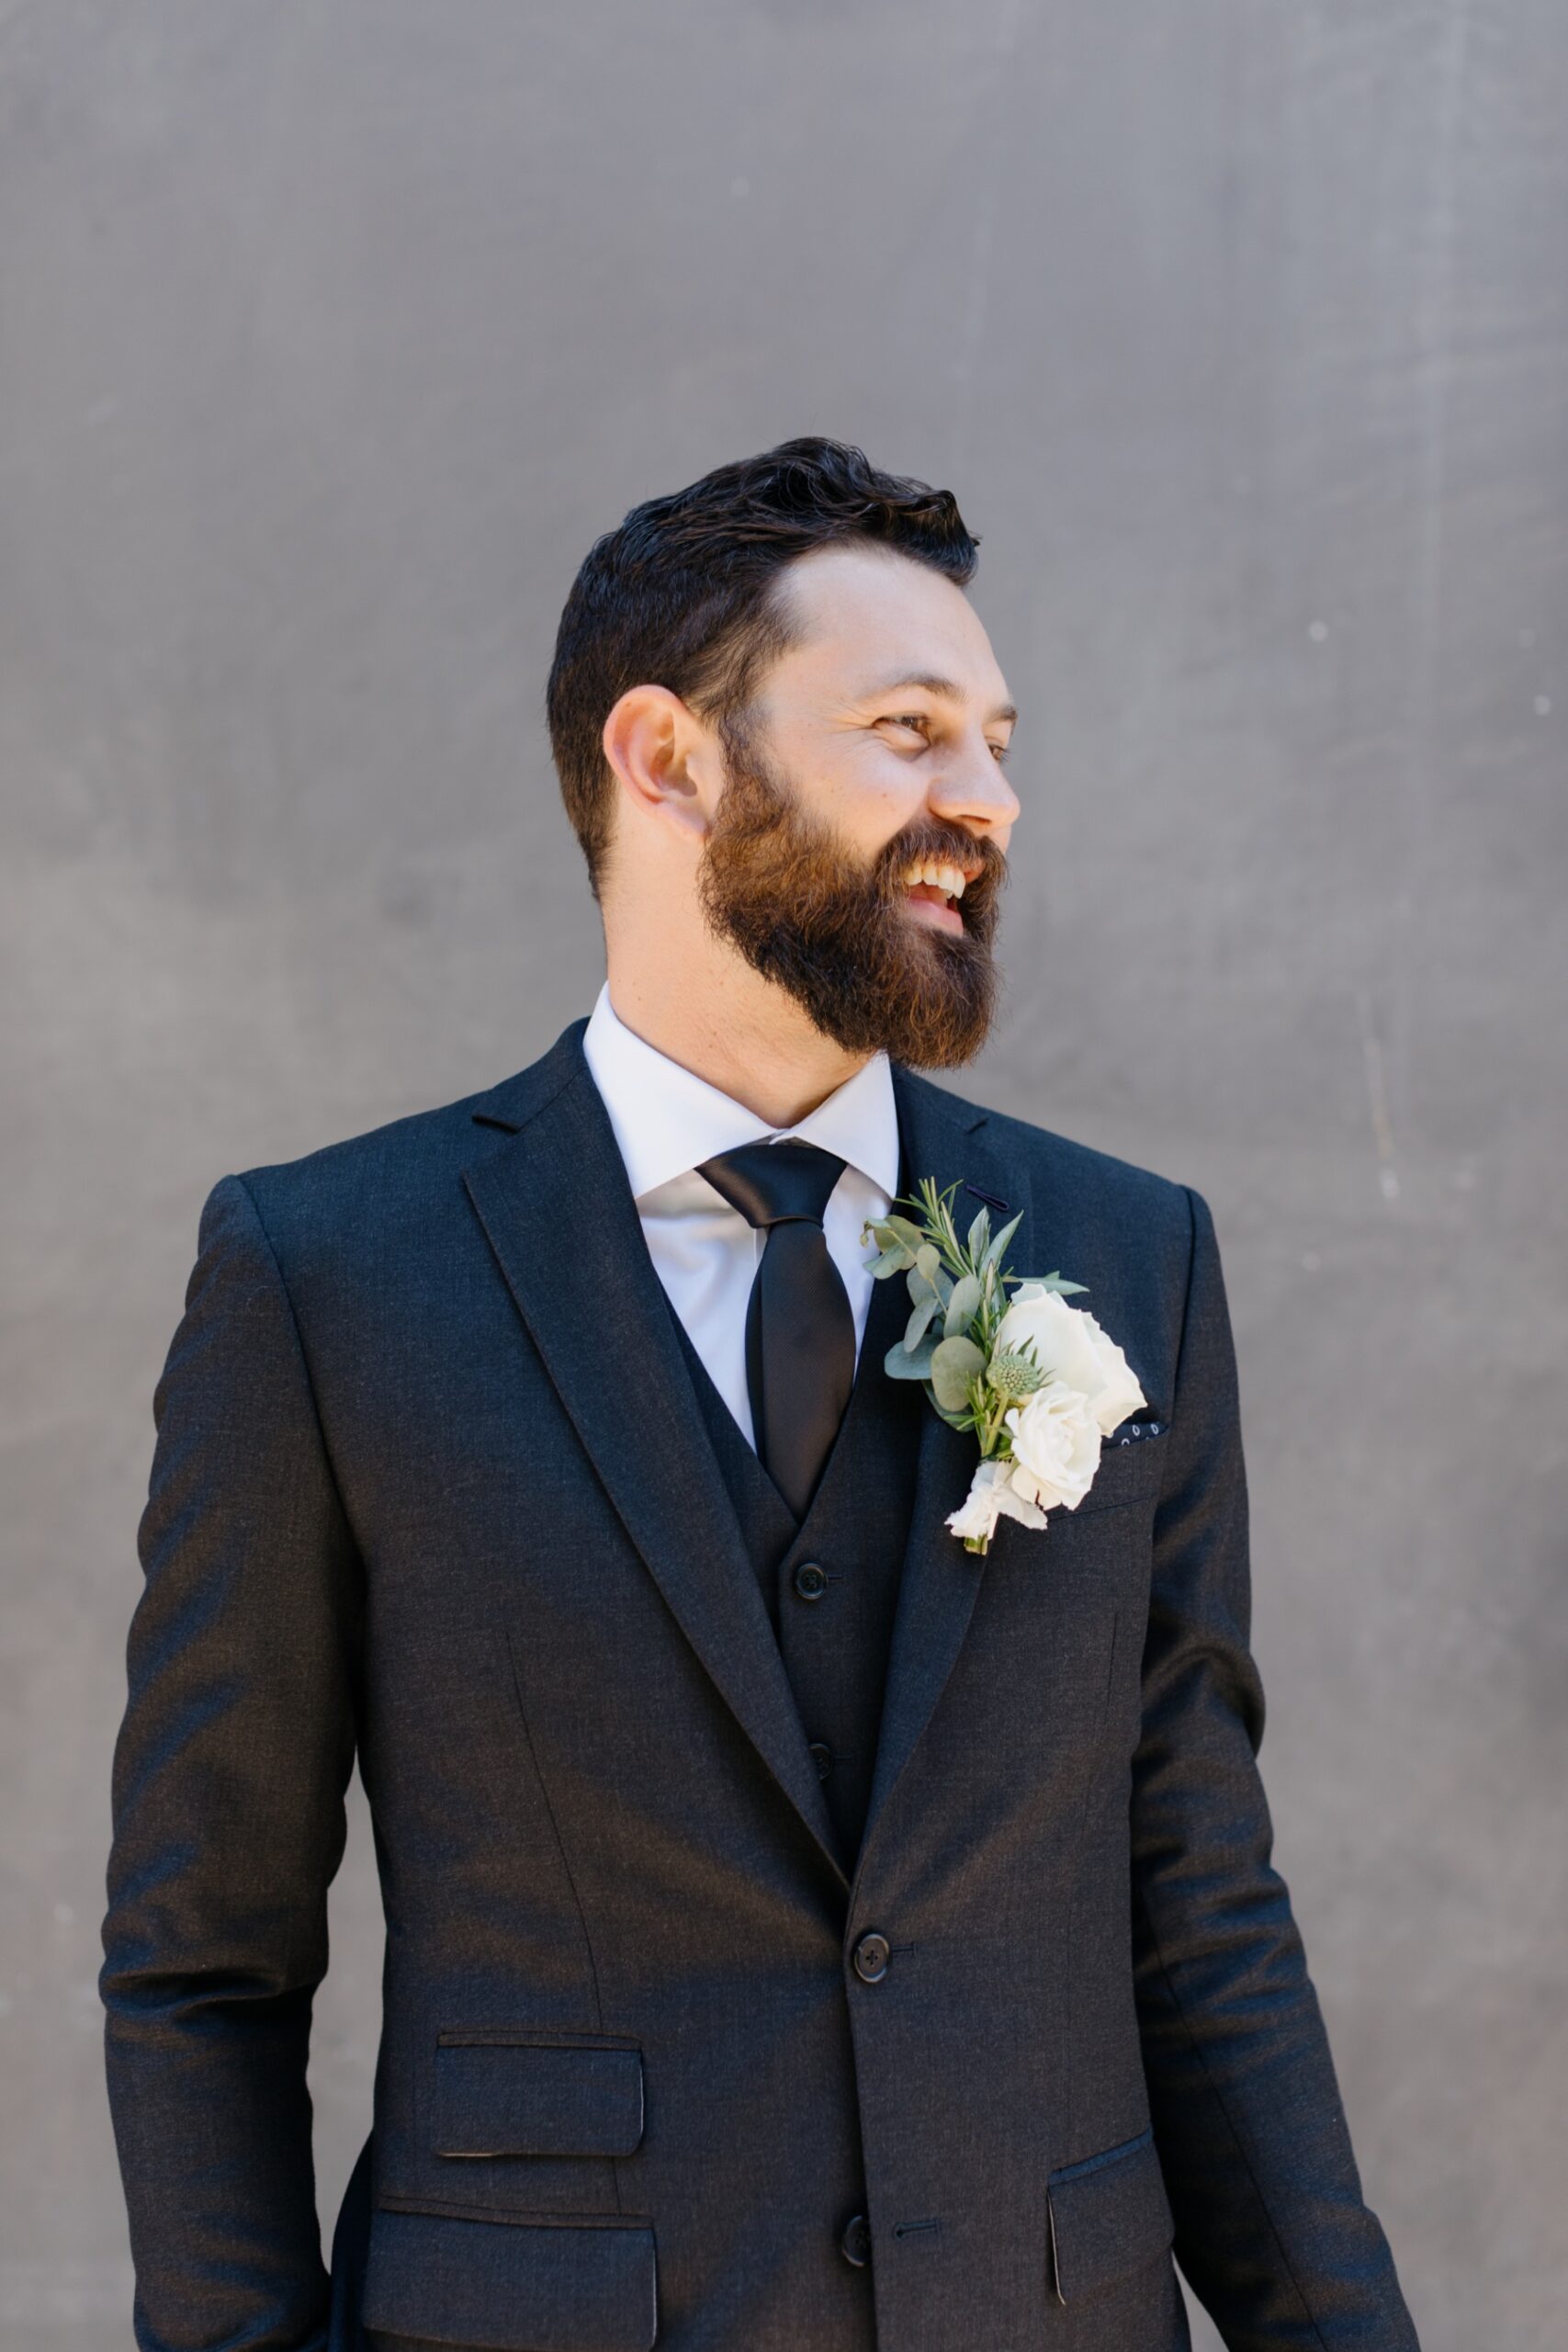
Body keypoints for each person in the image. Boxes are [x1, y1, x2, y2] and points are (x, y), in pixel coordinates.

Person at [100, 437, 1420, 2352]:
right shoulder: (328, 1279)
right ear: (666, 757)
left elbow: (1190, 1896)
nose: (987, 797)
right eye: (909, 730)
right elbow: (203, 1958)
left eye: (993, 737)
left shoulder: (1130, 1259)